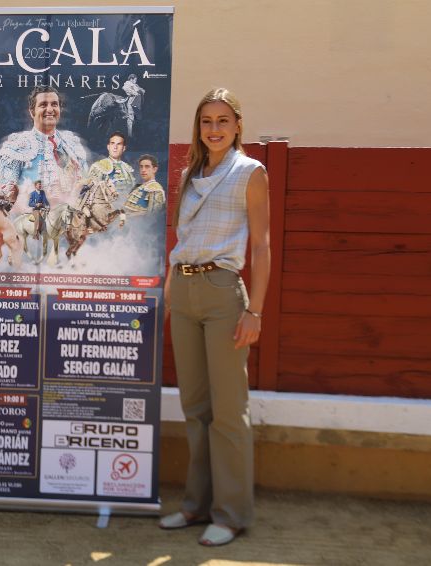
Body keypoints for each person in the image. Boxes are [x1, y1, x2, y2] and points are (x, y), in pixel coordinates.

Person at [160, 88, 270, 546]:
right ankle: (195, 505)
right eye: (207, 121)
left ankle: (230, 514)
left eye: (223, 120)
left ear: (238, 124)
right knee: (195, 408)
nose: (214, 129)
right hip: (184, 288)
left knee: (228, 411)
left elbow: (262, 245)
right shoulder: (190, 172)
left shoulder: (251, 172)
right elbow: (181, 239)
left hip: (224, 290)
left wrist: (255, 310)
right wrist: (170, 293)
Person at [0, 85, 88, 209]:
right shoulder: (16, 146)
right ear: (32, 111)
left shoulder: (72, 143)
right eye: (43, 105)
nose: (50, 109)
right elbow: (7, 197)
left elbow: (86, 185)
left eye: (54, 104)